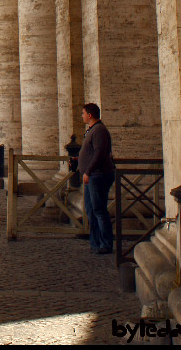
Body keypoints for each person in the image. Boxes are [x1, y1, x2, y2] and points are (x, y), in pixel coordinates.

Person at [78, 102, 115, 255]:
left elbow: (99, 153)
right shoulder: (92, 130)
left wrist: (88, 170)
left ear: (90, 115)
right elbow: (91, 152)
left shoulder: (99, 130)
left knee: (99, 210)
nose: (82, 116)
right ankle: (95, 242)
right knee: (91, 210)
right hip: (92, 175)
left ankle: (105, 243)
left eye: (83, 113)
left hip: (98, 175)